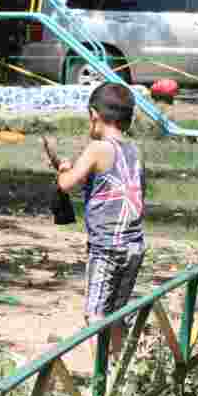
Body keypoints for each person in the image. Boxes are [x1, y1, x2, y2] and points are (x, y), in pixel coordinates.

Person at [53, 82, 146, 357]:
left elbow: (68, 184)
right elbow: (114, 188)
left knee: (95, 315)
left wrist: (63, 170)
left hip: (106, 247)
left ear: (94, 115)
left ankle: (100, 380)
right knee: (116, 313)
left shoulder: (98, 148)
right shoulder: (135, 150)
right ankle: (117, 372)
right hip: (134, 246)